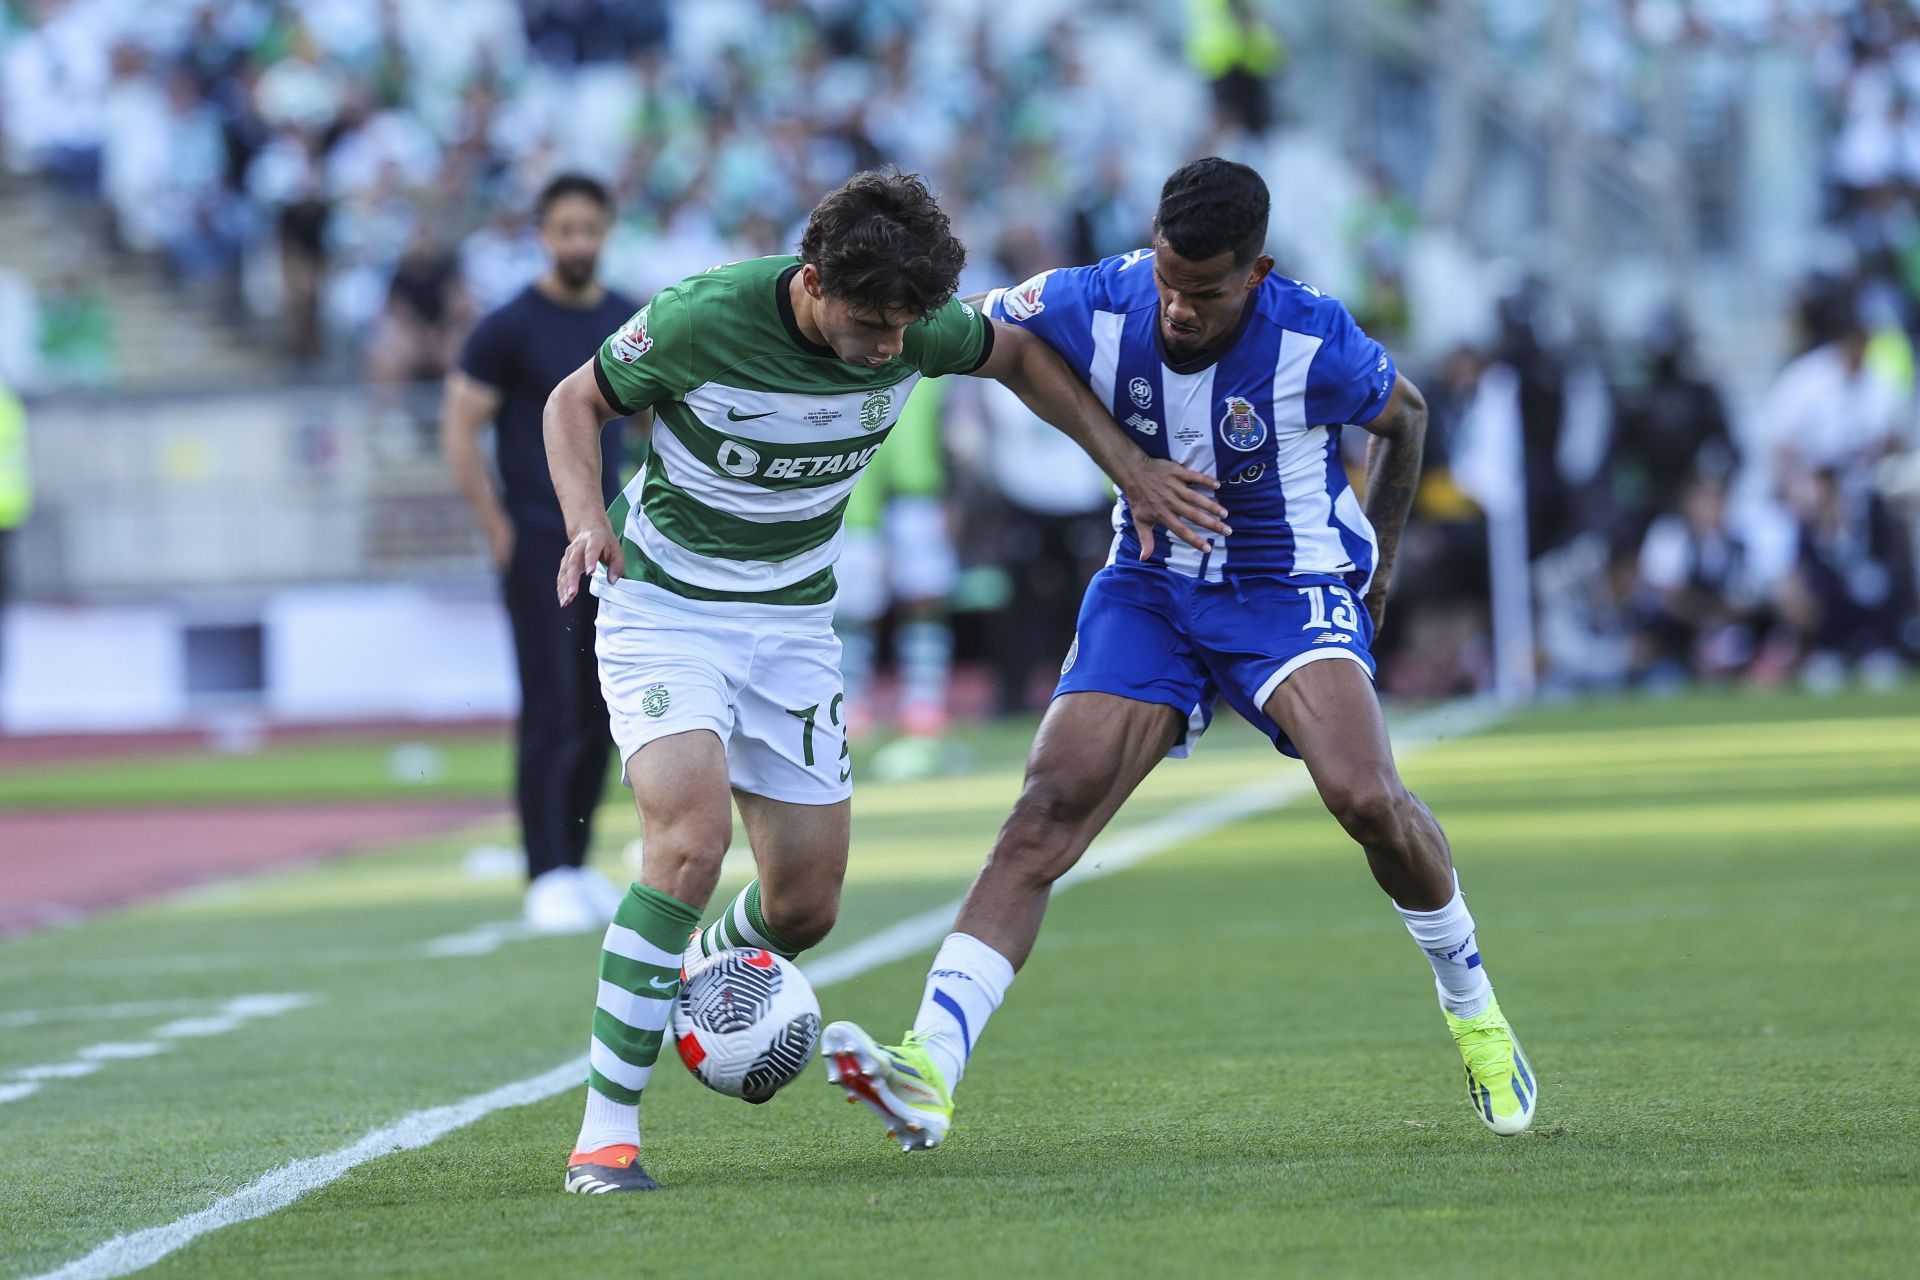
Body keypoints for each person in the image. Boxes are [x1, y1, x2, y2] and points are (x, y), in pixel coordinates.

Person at [820, 157, 1539, 1152]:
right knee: (1047, 806)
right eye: (1168, 280)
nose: (1179, 308)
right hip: (1152, 585)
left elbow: (1405, 416)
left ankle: (1476, 1009)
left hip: (1283, 588)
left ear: (1258, 271)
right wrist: (864, 329)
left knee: (1366, 796)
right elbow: (981, 330)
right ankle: (928, 1068)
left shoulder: (1311, 334)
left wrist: (1378, 570)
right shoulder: (1100, 297)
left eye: (1204, 292)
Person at [543, 169, 1224, 1194]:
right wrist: (586, 513)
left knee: (806, 906)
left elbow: (1022, 357)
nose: (889, 346)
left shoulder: (918, 324)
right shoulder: (703, 317)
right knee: (687, 840)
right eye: (869, 322)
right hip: (665, 605)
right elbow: (574, 400)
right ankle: (606, 1137)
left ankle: (699, 972)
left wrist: (1126, 465)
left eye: (907, 325)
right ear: (812, 281)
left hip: (793, 625)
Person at [441, 173, 637, 934]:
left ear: (607, 230)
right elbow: (460, 427)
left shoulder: (629, 320)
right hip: (533, 535)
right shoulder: (508, 327)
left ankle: (577, 863)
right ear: (543, 235)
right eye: (566, 229)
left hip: (606, 540)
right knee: (549, 704)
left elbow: (652, 420)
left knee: (600, 708)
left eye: (590, 228)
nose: (579, 243)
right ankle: (543, 868)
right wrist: (495, 524)